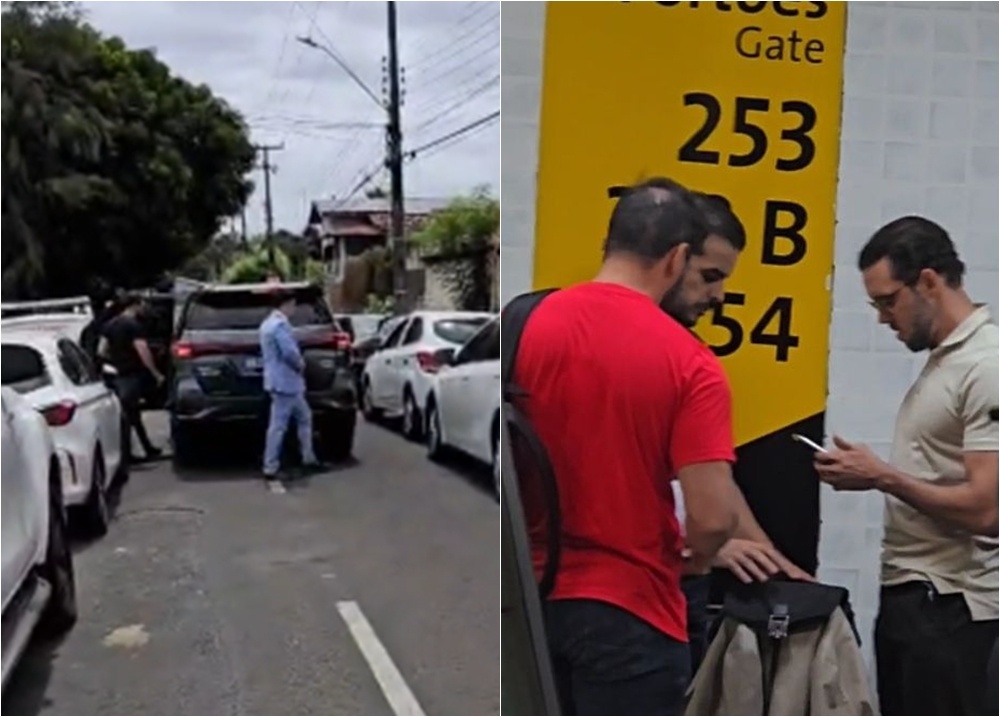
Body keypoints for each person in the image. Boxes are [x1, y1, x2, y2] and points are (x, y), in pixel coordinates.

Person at [513, 177, 745, 715]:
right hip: (633, 613)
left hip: (528, 603)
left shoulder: (522, 324)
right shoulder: (691, 364)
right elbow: (712, 518)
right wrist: (696, 554)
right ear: (677, 257)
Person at [814, 216, 998, 716]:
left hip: (950, 606)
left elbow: (987, 510)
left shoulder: (987, 365)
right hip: (917, 601)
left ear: (929, 282)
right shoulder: (949, 362)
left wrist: (882, 477)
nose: (881, 318)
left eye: (887, 301)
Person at [666, 193, 814, 677]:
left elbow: (711, 477)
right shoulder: (643, 354)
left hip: (680, 583)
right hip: (631, 593)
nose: (720, 297)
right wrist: (706, 544)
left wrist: (773, 561)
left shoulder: (686, 354)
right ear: (672, 260)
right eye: (709, 277)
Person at [260, 289, 325, 481]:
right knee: (279, 425)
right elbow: (288, 352)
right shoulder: (280, 326)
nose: (294, 309)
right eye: (293, 305)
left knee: (304, 417)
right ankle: (271, 466)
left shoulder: (266, 324)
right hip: (285, 382)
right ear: (286, 304)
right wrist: (301, 365)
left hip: (279, 382)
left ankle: (308, 458)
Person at [99, 293, 164, 462]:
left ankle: (145, 449)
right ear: (134, 305)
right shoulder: (133, 326)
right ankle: (130, 454)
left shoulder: (109, 325)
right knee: (129, 415)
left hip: (118, 375)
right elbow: (142, 350)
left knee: (130, 413)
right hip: (132, 374)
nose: (144, 308)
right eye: (142, 304)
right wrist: (155, 372)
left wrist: (114, 360)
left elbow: (101, 350)